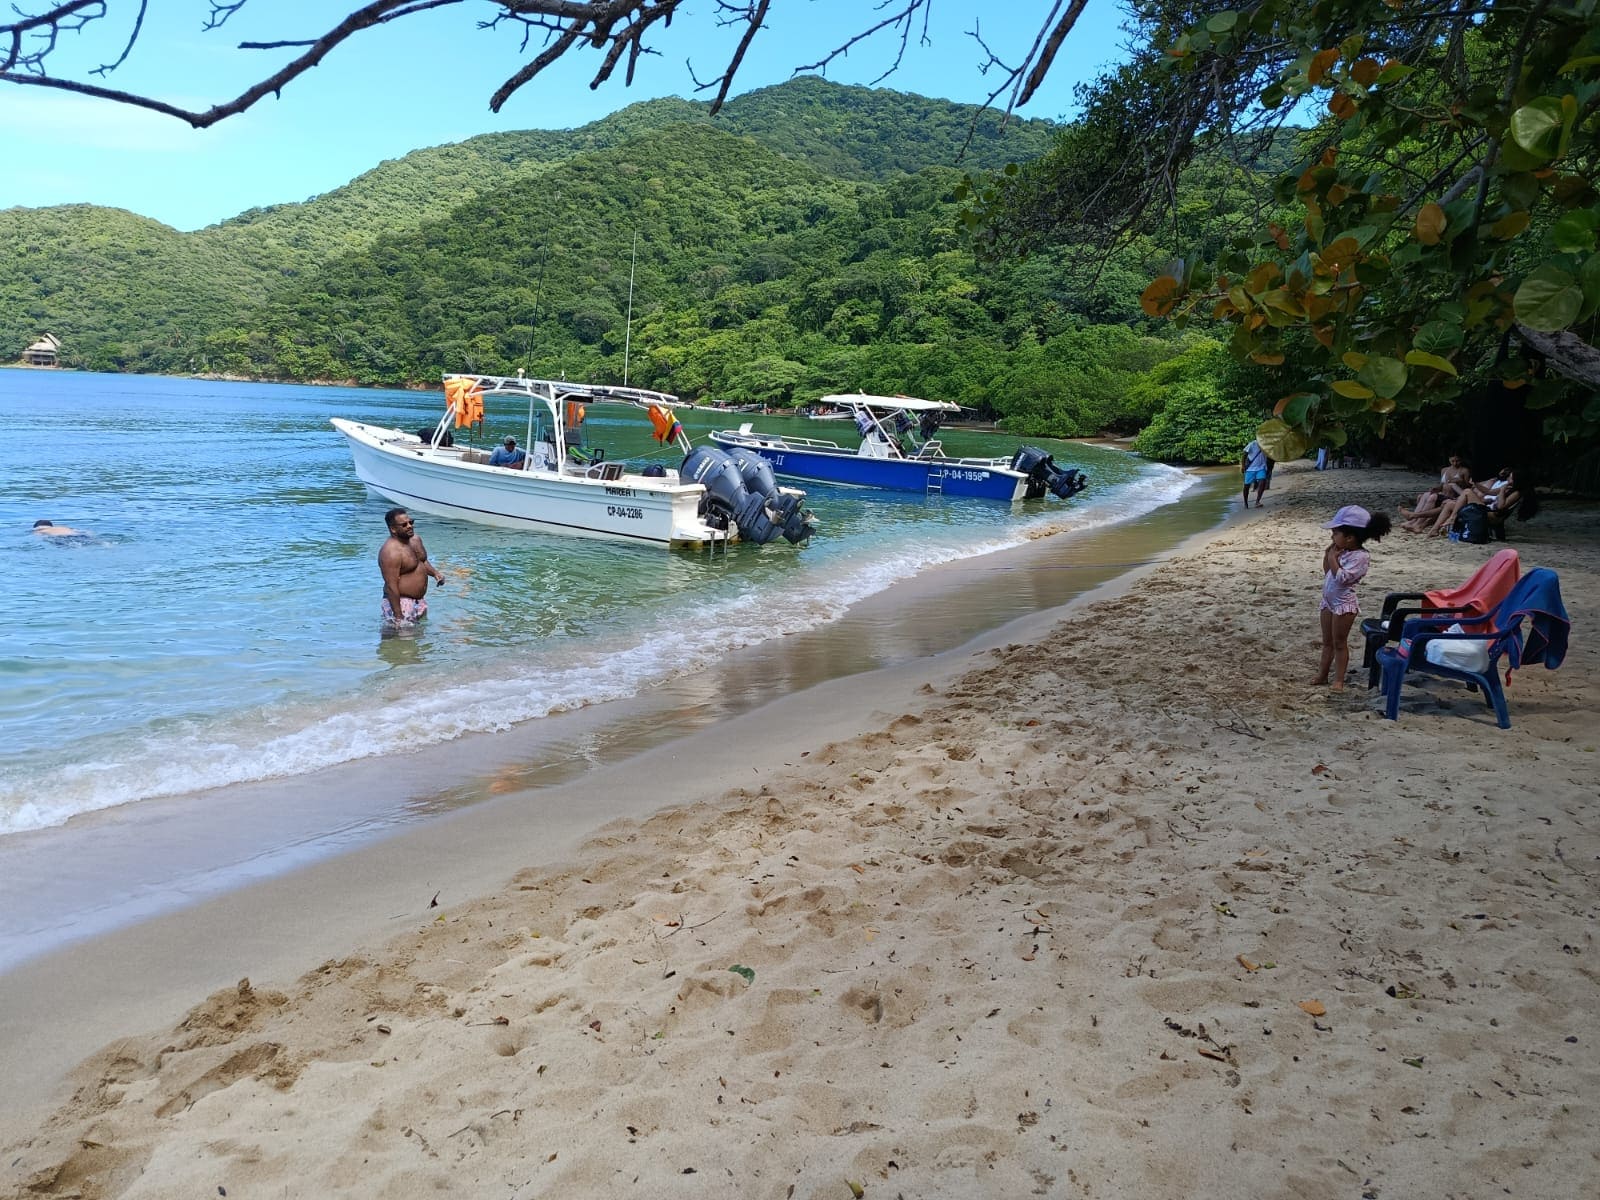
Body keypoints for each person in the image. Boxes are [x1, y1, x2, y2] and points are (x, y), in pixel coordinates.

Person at [1314, 504, 1392, 691]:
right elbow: (1328, 574)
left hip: (1344, 604)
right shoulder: (1341, 551)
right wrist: (1328, 556)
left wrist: (1333, 559)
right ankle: (1322, 674)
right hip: (1329, 601)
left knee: (1339, 642)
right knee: (1327, 642)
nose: (1332, 537)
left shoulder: (1360, 556)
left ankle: (1338, 679)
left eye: (1335, 533)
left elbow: (1342, 578)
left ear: (1349, 538)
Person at [379, 507, 445, 626]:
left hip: (419, 600)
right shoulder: (390, 552)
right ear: (393, 529)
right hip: (401, 603)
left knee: (419, 639)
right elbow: (391, 586)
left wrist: (435, 573)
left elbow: (422, 562)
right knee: (399, 640)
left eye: (411, 522)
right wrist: (398, 616)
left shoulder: (415, 540)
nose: (409, 526)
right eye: (404, 525)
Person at [1241, 438, 1273, 507]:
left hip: (1261, 467)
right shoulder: (1252, 444)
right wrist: (1243, 466)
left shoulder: (1266, 445)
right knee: (1246, 486)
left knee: (1262, 481)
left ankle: (1257, 501)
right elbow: (1244, 454)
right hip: (1250, 469)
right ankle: (1245, 503)